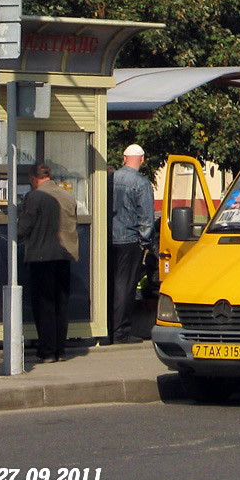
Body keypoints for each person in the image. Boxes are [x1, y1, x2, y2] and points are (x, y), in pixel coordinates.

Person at [17, 164, 78, 362]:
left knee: (44, 304)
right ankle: (60, 350)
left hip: (42, 255)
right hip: (65, 254)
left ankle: (47, 350)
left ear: (34, 179)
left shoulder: (34, 196)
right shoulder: (67, 196)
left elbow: (24, 227)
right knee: (61, 303)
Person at [110, 144, 154, 343]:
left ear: (123, 157)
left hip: (110, 239)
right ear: (142, 159)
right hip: (130, 240)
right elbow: (146, 218)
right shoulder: (141, 183)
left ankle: (108, 327)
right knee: (125, 286)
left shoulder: (111, 179)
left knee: (112, 283)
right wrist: (146, 242)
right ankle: (121, 331)